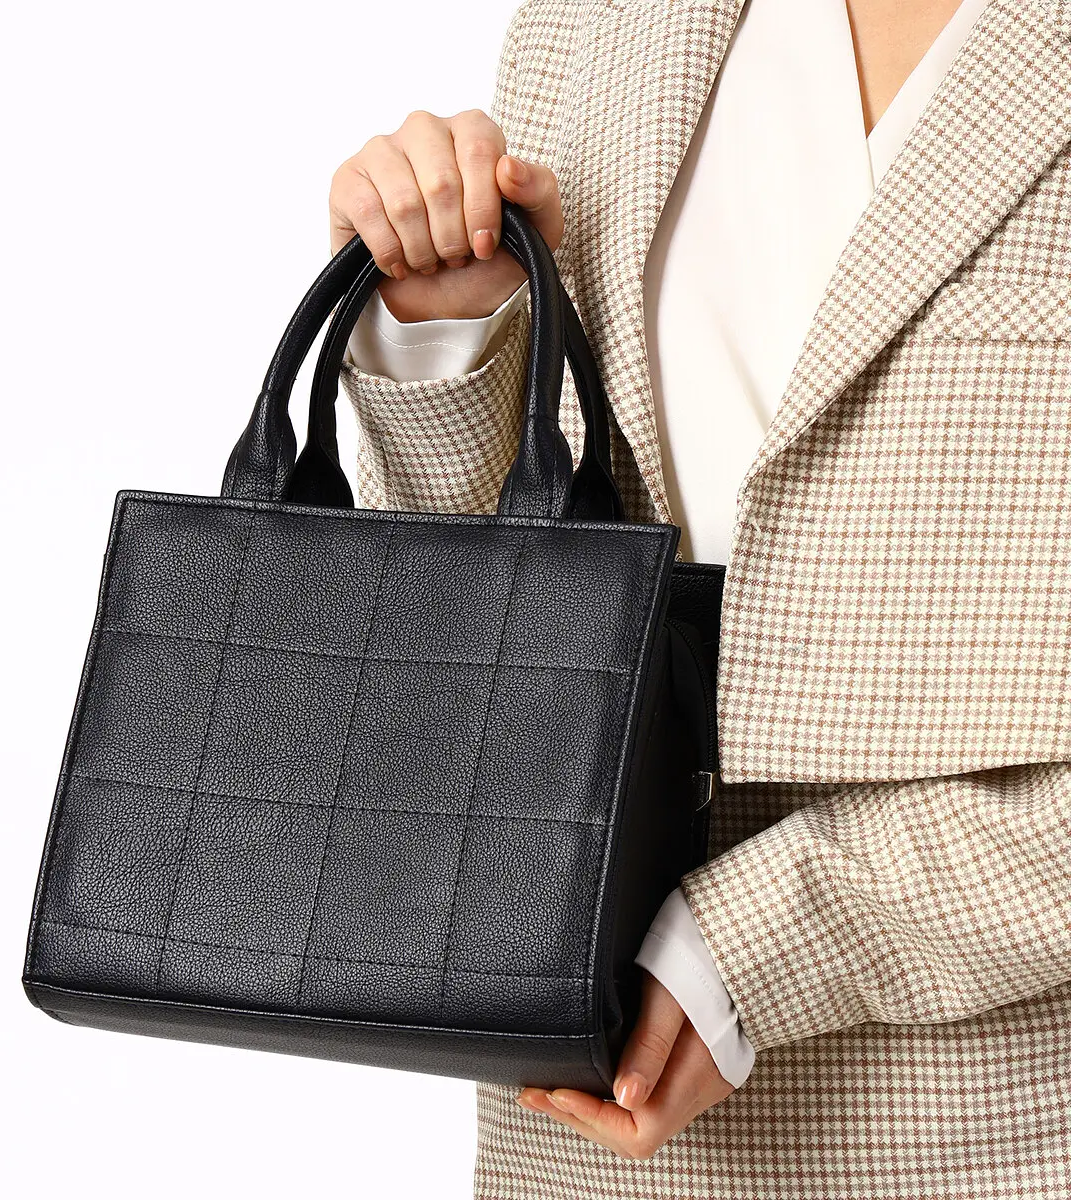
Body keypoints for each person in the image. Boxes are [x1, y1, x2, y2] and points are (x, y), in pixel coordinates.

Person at [330, 0, 1071, 1195]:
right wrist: (448, 330)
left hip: (1000, 1124)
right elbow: (485, 613)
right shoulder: (592, 24)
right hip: (579, 1125)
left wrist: (768, 942)